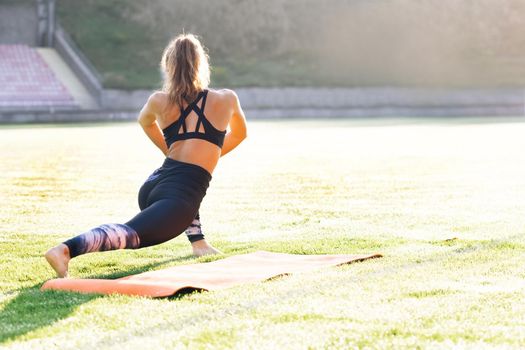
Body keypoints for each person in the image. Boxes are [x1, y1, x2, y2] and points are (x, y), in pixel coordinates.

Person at [45, 33, 248, 278]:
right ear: (201, 64)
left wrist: (170, 150)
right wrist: (206, 158)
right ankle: (65, 249)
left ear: (169, 67)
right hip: (175, 197)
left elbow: (145, 122)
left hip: (155, 185)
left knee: (189, 187)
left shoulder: (159, 100)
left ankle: (198, 243)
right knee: (131, 233)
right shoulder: (227, 98)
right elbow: (239, 135)